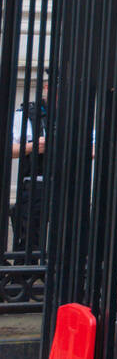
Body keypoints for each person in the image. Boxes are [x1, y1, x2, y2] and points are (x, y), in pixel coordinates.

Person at [9, 75, 48, 255]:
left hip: (67, 184)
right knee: (30, 239)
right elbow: (9, 149)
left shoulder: (75, 114)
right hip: (35, 184)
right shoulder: (26, 114)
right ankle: (26, 275)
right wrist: (32, 146)